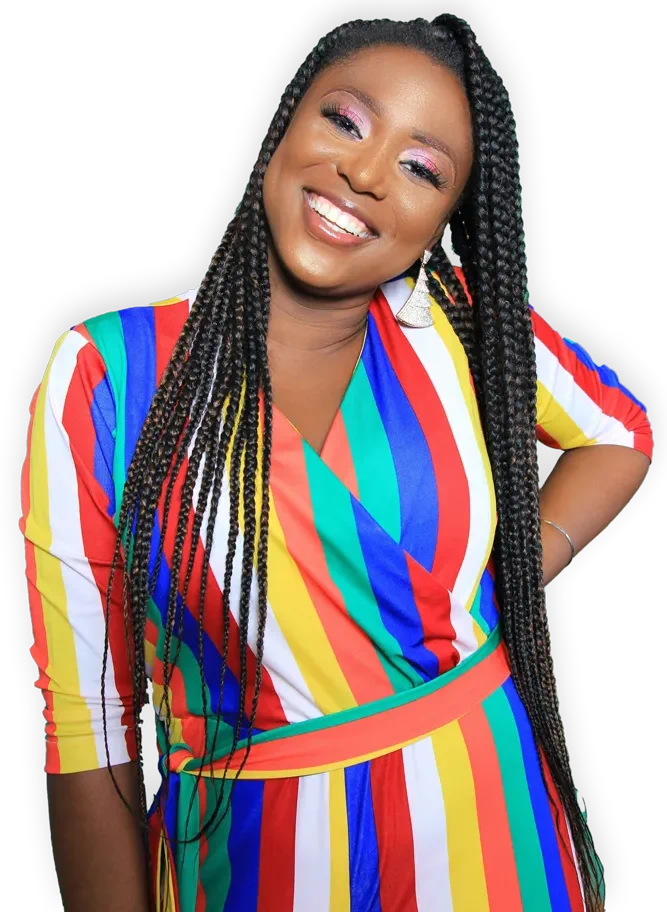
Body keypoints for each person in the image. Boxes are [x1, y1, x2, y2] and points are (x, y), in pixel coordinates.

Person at [20, 14, 652, 912]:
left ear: (441, 221)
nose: (365, 173)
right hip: (250, 859)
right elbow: (91, 730)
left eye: (421, 169)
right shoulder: (109, 375)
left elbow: (619, 431)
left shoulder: (452, 323)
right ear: (284, 124)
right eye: (346, 121)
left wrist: (512, 571)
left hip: (491, 828)